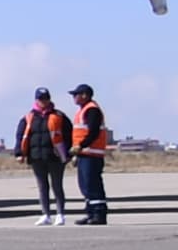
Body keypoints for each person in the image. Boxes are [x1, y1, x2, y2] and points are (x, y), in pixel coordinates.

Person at [14, 86, 71, 226]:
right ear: (36, 100)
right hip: (36, 157)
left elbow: (69, 135)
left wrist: (69, 152)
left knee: (57, 186)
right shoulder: (29, 117)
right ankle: (45, 214)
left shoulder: (59, 116)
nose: (43, 102)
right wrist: (19, 153)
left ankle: (60, 214)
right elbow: (20, 135)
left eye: (45, 99)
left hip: (55, 156)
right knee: (42, 186)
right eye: (41, 99)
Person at [68, 83, 114, 226]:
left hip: (92, 155)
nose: (74, 98)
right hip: (84, 154)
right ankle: (90, 213)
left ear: (84, 95)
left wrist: (80, 146)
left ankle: (99, 214)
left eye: (76, 94)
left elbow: (93, 133)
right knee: (85, 186)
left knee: (93, 186)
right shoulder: (83, 111)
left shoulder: (92, 110)